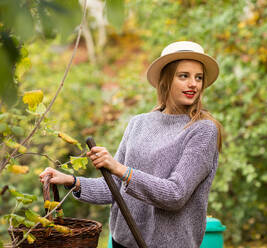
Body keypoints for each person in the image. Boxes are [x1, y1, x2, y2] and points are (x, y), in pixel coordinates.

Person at [39, 41, 223, 248]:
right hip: (122, 242)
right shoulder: (139, 123)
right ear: (165, 79)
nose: (193, 84)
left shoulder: (203, 130)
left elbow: (175, 195)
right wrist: (71, 181)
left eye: (198, 78)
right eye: (184, 76)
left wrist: (118, 168)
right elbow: (116, 187)